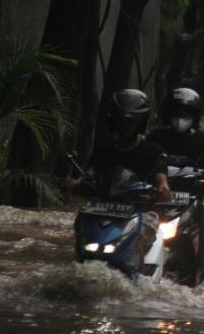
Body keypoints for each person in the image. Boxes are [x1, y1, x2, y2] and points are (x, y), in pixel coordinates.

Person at [73, 89, 170, 252]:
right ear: (114, 121)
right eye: (122, 121)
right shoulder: (102, 151)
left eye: (131, 121)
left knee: (145, 232)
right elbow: (87, 175)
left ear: (140, 122)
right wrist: (76, 184)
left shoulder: (153, 151)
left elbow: (162, 179)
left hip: (140, 211)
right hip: (102, 209)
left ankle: (140, 267)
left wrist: (162, 187)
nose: (126, 126)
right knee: (81, 224)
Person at [147, 87, 204, 282]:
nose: (179, 120)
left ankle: (201, 272)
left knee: (196, 225)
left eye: (185, 115)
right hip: (156, 201)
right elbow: (142, 160)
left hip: (189, 203)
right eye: (175, 114)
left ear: (194, 117)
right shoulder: (156, 138)